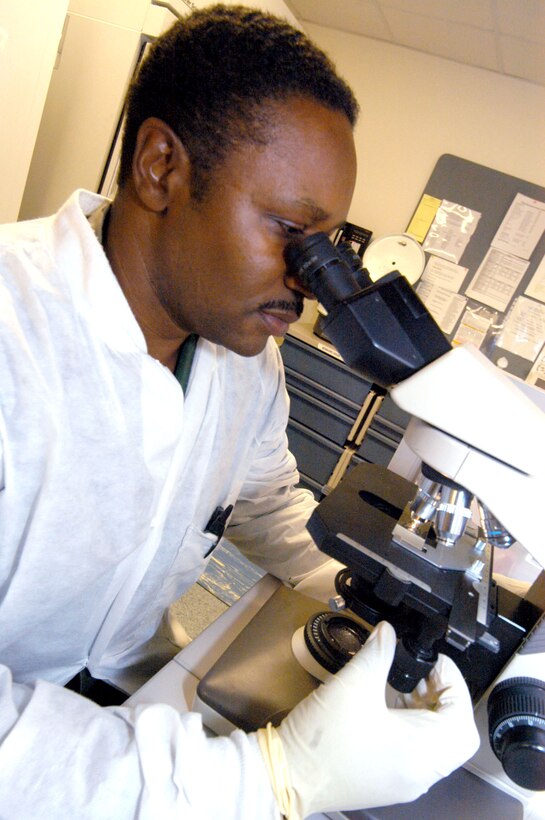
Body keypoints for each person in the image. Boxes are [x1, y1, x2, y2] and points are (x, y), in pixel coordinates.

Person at [0, 5, 479, 817]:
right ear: (161, 168)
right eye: (291, 231)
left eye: (329, 246)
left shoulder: (240, 362)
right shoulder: (16, 337)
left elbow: (261, 499)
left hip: (134, 691)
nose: (309, 279)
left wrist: (372, 592)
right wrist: (270, 778)